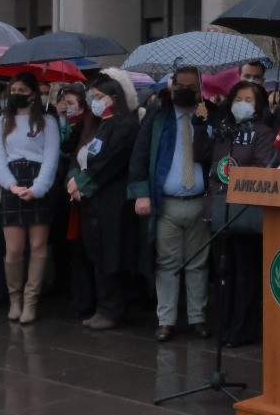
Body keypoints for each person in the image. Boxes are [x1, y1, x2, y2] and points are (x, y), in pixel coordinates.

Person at [130, 66, 214, 341]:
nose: (186, 91)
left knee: (198, 264)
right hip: (166, 203)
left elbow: (219, 154)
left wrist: (204, 124)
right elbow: (140, 156)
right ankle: (165, 319)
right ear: (171, 87)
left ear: (200, 88)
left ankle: (197, 317)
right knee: (166, 263)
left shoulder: (211, 115)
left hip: (201, 202)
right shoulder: (157, 117)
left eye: (192, 87)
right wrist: (141, 193)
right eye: (181, 86)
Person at [208, 79, 278, 347]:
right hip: (220, 207)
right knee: (224, 271)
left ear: (258, 106)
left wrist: (235, 170)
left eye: (249, 100)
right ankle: (225, 327)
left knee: (246, 273)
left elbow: (262, 167)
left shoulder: (262, 133)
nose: (242, 105)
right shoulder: (225, 129)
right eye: (238, 99)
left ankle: (243, 329)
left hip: (246, 211)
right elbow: (207, 157)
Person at [71, 73, 142, 331]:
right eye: (92, 97)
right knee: (98, 254)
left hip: (114, 202)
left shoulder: (124, 125)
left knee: (112, 254)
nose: (94, 101)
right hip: (95, 203)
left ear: (114, 98)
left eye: (99, 97)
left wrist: (83, 182)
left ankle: (114, 309)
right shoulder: (100, 125)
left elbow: (110, 161)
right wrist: (75, 179)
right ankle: (103, 306)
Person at [0, 72, 61, 325]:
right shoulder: (1, 122)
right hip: (12, 181)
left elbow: (52, 158)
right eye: (13, 89)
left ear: (33, 94)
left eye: (22, 90)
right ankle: (15, 299)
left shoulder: (47, 121)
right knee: (14, 249)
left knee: (39, 246)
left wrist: (38, 188)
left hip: (38, 180)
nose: (16, 94)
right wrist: (12, 185)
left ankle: (31, 300)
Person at [52, 83, 93, 315]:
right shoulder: (58, 121)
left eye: (71, 103)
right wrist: (61, 119)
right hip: (61, 188)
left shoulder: (88, 123)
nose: (66, 107)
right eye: (64, 103)